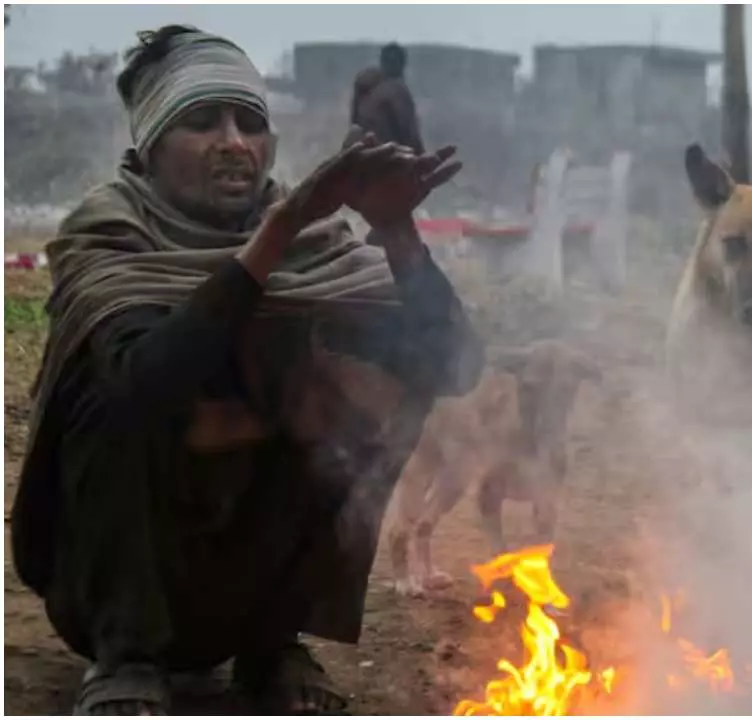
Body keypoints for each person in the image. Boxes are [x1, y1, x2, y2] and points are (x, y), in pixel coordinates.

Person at [9, 25, 484, 715]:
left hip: (244, 581)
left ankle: (273, 645)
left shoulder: (312, 241)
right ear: (148, 148)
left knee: (368, 381)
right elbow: (144, 388)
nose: (235, 142)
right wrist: (272, 241)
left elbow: (451, 367)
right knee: (107, 391)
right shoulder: (109, 233)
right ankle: (127, 658)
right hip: (111, 588)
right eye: (202, 122)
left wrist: (398, 234)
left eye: (250, 123)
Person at [350, 42, 425, 154]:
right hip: (390, 156)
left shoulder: (366, 91)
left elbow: (354, 124)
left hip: (365, 155)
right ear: (402, 64)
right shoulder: (397, 91)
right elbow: (410, 134)